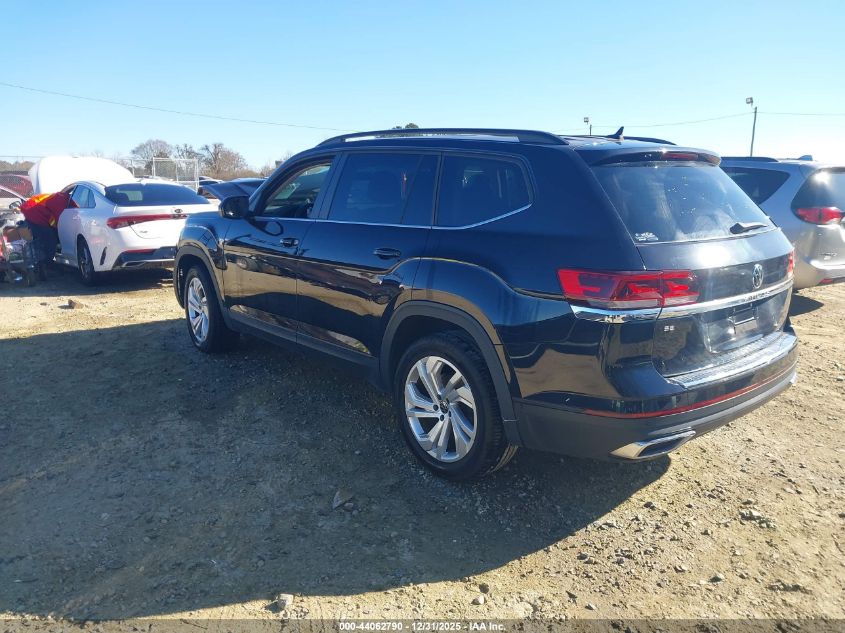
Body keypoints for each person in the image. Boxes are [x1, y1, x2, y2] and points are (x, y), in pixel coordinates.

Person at [19, 191, 70, 270]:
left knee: (38, 240)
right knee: (50, 240)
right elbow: (57, 220)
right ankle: (46, 263)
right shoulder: (62, 202)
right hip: (36, 215)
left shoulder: (58, 196)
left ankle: (40, 262)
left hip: (29, 211)